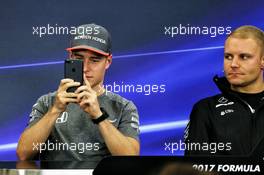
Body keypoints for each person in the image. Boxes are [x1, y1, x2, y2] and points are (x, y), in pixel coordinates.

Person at [16, 24, 140, 163]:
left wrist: (98, 116)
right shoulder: (47, 102)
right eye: (79, 59)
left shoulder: (123, 107)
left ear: (108, 62)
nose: (86, 68)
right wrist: (55, 110)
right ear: (70, 57)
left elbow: (130, 158)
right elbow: (23, 154)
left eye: (94, 60)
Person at [184, 25, 264, 156]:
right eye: (228, 56)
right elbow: (195, 167)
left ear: (262, 61)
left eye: (244, 57)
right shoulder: (205, 110)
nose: (233, 64)